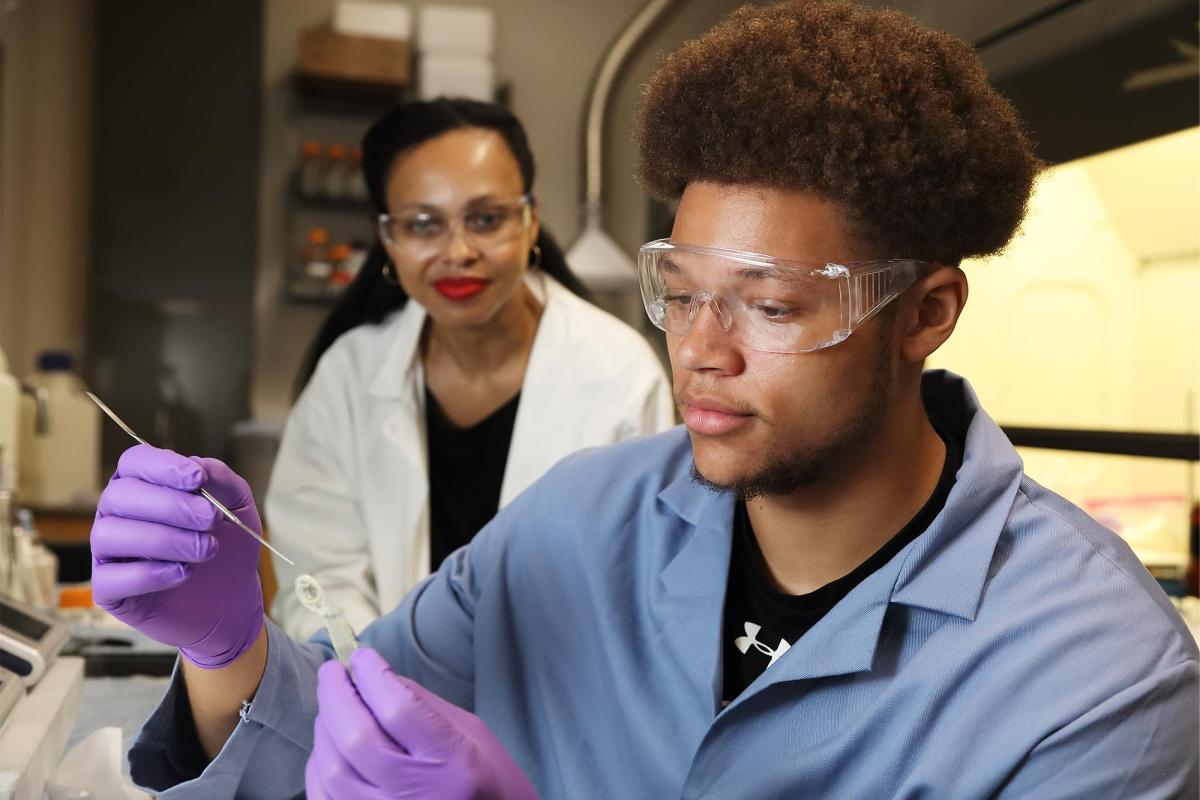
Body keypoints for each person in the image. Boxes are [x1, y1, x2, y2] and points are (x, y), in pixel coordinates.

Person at [92, 3, 1198, 797]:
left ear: (925, 313)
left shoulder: (1098, 675)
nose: (700, 354)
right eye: (681, 295)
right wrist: (228, 641)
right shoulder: (577, 520)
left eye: (767, 304)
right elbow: (322, 754)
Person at [267, 98, 674, 639]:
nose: (458, 251)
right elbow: (317, 579)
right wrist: (381, 684)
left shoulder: (621, 374)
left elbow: (637, 586)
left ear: (531, 222)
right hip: (378, 698)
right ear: (389, 240)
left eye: (485, 219)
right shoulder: (347, 376)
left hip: (558, 709)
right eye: (422, 225)